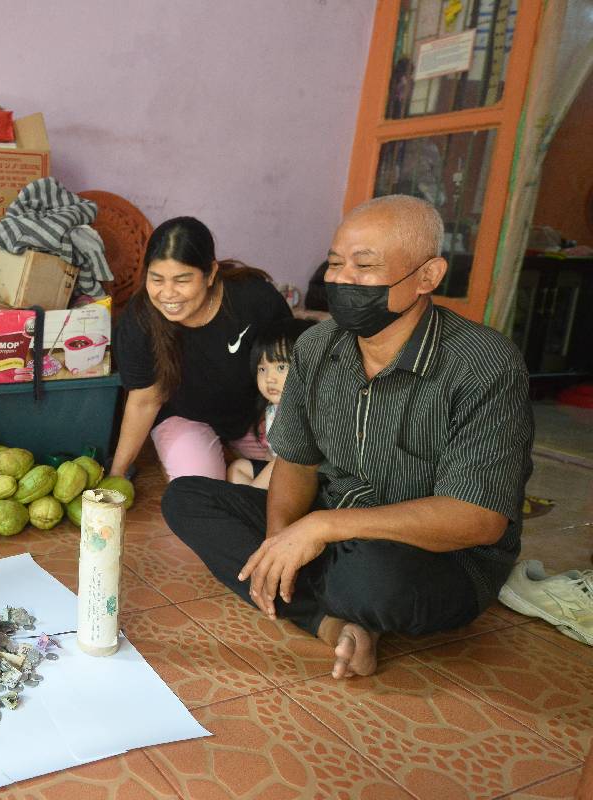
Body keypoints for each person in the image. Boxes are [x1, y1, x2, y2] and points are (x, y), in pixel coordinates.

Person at [161, 195, 533, 680]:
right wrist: (281, 543)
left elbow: (478, 521)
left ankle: (345, 603)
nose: (341, 279)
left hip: (431, 555)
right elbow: (296, 461)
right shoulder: (317, 345)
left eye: (365, 265)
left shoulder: (483, 364)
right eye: (335, 263)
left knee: (373, 579)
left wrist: (321, 530)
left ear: (427, 276)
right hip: (331, 524)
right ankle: (332, 623)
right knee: (187, 498)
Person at [110, 217, 291, 480]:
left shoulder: (253, 299)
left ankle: (236, 454)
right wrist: (116, 474)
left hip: (250, 414)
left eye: (182, 280)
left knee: (291, 475)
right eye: (157, 279)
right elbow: (144, 402)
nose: (168, 293)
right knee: (198, 485)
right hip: (185, 416)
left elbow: (293, 364)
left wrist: (273, 411)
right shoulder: (139, 319)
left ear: (210, 274)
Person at [226, 318, 315, 489]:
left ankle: (248, 504)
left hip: (308, 477)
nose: (269, 378)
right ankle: (253, 505)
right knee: (238, 468)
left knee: (279, 464)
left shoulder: (309, 410)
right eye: (262, 369)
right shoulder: (272, 408)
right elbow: (271, 452)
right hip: (279, 470)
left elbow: (290, 460)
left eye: (281, 368)